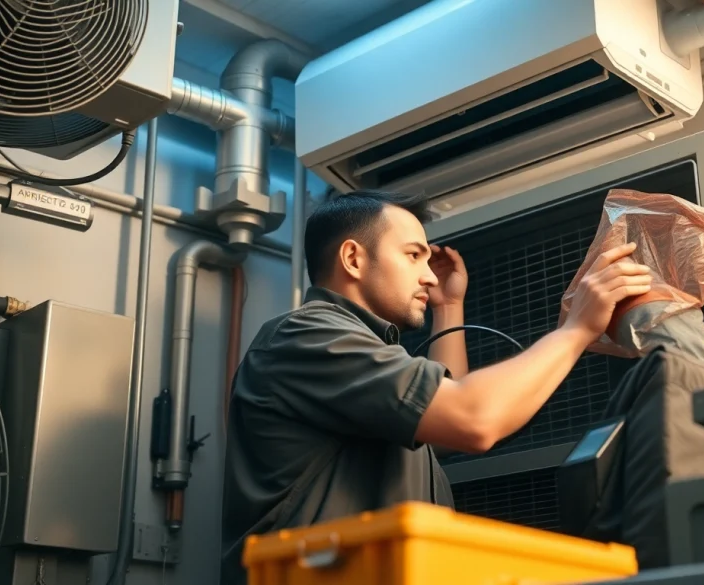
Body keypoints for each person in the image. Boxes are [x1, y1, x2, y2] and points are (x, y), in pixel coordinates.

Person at [220, 189, 653, 584]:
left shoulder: (356, 351)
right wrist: (576, 330)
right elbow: (472, 418)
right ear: (353, 258)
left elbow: (443, 423)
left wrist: (448, 308)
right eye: (413, 256)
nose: (428, 276)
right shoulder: (309, 336)